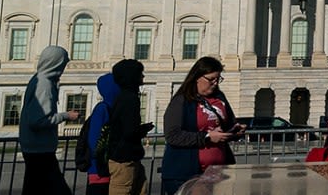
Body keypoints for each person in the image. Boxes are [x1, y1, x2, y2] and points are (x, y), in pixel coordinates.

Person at [160, 57, 244, 195]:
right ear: (197, 77)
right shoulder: (181, 100)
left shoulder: (219, 97)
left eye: (218, 79)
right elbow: (173, 135)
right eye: (211, 79)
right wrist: (206, 137)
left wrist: (235, 131)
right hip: (188, 172)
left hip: (218, 171)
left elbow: (228, 123)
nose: (215, 83)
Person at [19, 45, 80, 195]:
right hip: (40, 149)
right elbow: (37, 121)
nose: (64, 68)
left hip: (35, 147)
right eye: (63, 63)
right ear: (56, 63)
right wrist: (66, 116)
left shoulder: (38, 78)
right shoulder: (45, 85)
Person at [104, 59, 154, 195]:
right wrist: (143, 129)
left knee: (140, 188)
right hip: (123, 159)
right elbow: (129, 131)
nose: (143, 76)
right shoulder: (130, 98)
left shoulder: (123, 96)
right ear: (132, 76)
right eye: (140, 73)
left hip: (128, 157)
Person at [85, 71, 120, 195]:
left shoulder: (111, 108)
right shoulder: (102, 109)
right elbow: (94, 140)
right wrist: (101, 164)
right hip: (99, 170)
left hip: (107, 168)